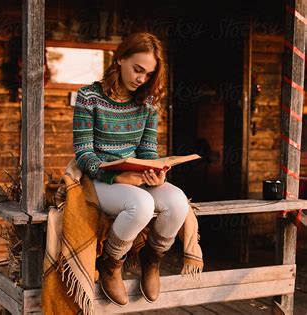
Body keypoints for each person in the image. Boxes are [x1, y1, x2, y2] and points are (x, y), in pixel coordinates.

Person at [72, 32, 190, 306]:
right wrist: (116, 175)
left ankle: (153, 259)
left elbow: (148, 150)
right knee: (142, 205)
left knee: (177, 201)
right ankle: (111, 264)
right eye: (138, 69)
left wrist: (156, 170)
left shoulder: (147, 102)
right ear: (120, 58)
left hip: (136, 176)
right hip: (100, 177)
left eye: (148, 74)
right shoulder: (89, 97)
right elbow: (83, 153)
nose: (142, 79)